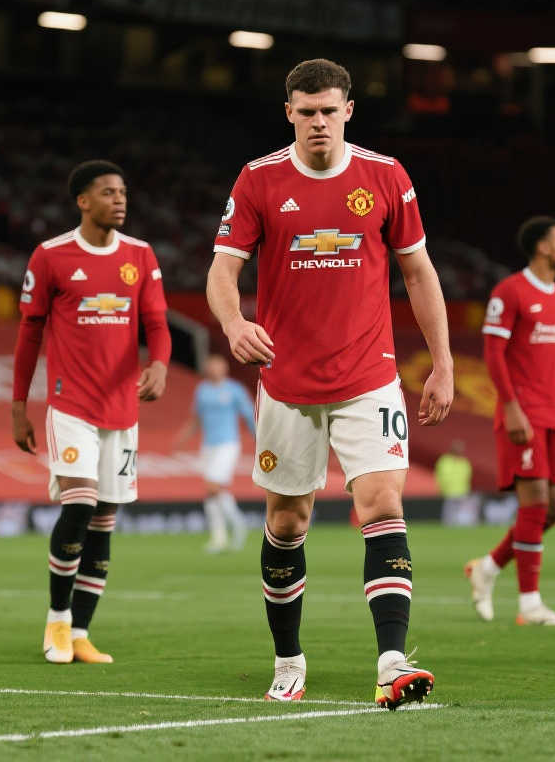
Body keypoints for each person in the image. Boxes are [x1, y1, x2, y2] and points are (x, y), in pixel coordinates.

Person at [206, 59, 453, 709]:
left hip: (369, 375)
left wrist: (443, 363)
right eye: (307, 111)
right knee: (287, 521)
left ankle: (392, 662)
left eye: (329, 110)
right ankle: (288, 660)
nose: (319, 121)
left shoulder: (385, 176)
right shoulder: (259, 180)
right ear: (289, 113)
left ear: (349, 111)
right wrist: (233, 322)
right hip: (286, 381)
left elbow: (419, 272)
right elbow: (223, 270)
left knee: (383, 504)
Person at [11, 160, 172, 665]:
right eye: (108, 192)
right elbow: (29, 333)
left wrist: (160, 364)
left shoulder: (140, 256)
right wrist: (18, 406)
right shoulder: (51, 256)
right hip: (70, 404)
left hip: (121, 410)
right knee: (79, 505)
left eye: (122, 192)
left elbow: (157, 324)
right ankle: (57, 621)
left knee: (104, 520)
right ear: (83, 201)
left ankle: (80, 633)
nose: (119, 200)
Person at [465, 216, 555, 626]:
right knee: (536, 503)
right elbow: (493, 353)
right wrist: (510, 406)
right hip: (523, 415)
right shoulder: (509, 292)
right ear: (543, 247)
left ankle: (488, 567)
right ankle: (530, 605)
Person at [175, 353, 256, 552]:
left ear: (225, 369)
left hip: (228, 444)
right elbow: (196, 419)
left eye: (218, 366)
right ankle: (219, 538)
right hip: (208, 446)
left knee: (213, 486)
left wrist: (259, 439)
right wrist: (183, 438)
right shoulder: (202, 390)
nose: (214, 370)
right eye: (211, 366)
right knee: (212, 493)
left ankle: (238, 524)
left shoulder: (235, 389)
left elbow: (249, 415)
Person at [435, 439, 477, 525]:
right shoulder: (445, 461)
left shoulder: (464, 462)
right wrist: (442, 489)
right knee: (449, 516)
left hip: (462, 492)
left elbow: (468, 477)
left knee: (461, 516)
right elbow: (441, 476)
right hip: (449, 493)